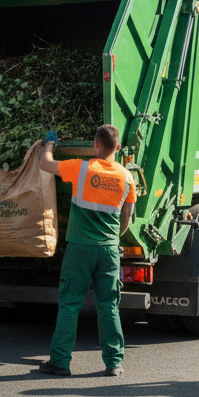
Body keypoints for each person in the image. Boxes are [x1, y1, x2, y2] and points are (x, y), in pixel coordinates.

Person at [36, 124, 136, 377]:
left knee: (70, 305)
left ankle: (60, 362)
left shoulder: (81, 168)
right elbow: (128, 215)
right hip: (109, 250)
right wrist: (113, 237)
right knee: (109, 306)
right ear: (118, 148)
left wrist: (49, 144)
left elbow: (45, 164)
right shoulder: (127, 176)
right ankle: (113, 363)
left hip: (80, 249)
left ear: (95, 144)